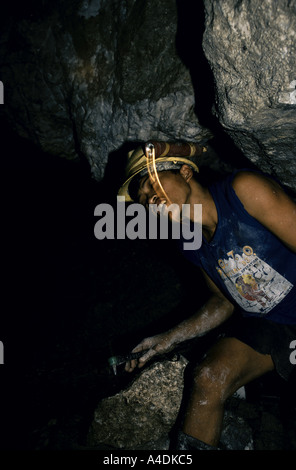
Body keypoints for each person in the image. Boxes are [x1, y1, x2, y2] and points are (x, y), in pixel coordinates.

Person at [118, 141, 296, 450]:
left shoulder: (243, 191)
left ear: (185, 171)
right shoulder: (189, 242)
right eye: (143, 198)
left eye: (151, 183)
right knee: (208, 378)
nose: (150, 199)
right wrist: (168, 338)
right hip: (272, 326)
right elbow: (223, 301)